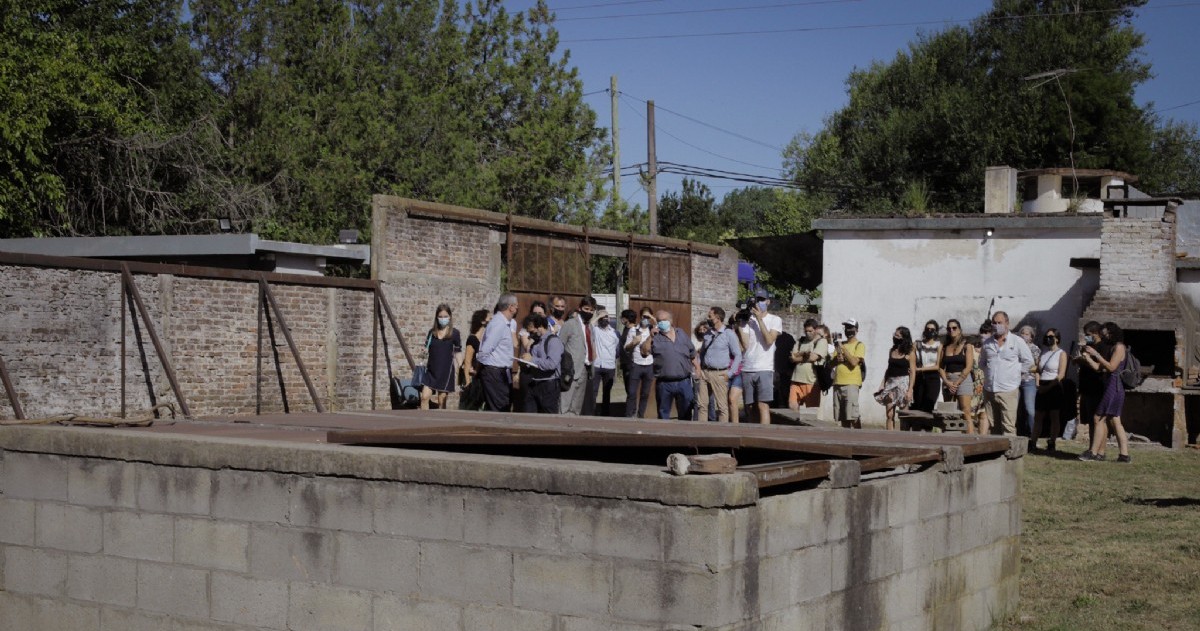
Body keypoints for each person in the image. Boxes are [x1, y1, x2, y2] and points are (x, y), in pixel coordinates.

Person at [1079, 322, 1132, 462]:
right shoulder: (1112, 348)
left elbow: (1111, 367)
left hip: (1114, 385)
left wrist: (1096, 353)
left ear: (1112, 333)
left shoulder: (1119, 347)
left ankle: (1093, 452)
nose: (1103, 335)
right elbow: (1098, 367)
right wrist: (1087, 358)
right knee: (1115, 420)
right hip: (1110, 383)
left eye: (1105, 332)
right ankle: (1124, 455)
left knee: (1098, 418)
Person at [978, 311, 1034, 435]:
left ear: (1007, 323)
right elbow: (981, 363)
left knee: (1008, 426)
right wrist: (989, 374)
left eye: (1000, 323)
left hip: (1009, 390)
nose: (997, 325)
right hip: (990, 390)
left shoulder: (1017, 341)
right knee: (994, 427)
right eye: (994, 323)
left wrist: (1016, 373)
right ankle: (997, 453)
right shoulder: (987, 343)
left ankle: (1011, 453)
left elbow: (1028, 361)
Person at [641, 309, 697, 420]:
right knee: (663, 414)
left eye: (664, 320)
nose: (662, 322)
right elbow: (644, 353)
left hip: (684, 382)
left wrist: (698, 369)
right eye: (659, 320)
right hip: (664, 384)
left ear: (670, 321)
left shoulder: (681, 333)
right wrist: (650, 337)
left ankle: (683, 436)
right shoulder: (655, 337)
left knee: (686, 413)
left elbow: (692, 353)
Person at [740, 292, 783, 424]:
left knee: (763, 405)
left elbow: (769, 340)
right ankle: (751, 436)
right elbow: (745, 344)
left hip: (764, 368)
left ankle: (765, 435)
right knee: (750, 407)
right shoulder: (748, 320)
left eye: (762, 299)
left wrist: (759, 319)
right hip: (748, 367)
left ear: (768, 302)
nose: (759, 302)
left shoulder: (775, 319)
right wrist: (740, 324)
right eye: (757, 299)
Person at [697, 306, 742, 423]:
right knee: (702, 405)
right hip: (705, 373)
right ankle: (701, 433)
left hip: (720, 373)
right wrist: (700, 369)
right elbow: (702, 352)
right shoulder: (707, 333)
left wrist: (730, 373)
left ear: (717, 318)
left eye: (710, 316)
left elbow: (738, 355)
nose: (708, 318)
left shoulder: (729, 334)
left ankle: (723, 434)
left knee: (722, 407)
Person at [477, 294, 519, 411]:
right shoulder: (498, 323)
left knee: (504, 406)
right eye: (516, 306)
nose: (517, 309)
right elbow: (485, 350)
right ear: (510, 307)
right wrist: (482, 369)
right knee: (499, 409)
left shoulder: (505, 323)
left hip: (501, 372)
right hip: (494, 372)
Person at [518, 313, 564, 414]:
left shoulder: (553, 341)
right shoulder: (535, 342)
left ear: (540, 327)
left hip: (548, 385)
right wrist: (524, 362)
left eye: (532, 332)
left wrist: (532, 360)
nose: (530, 335)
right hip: (534, 382)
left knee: (548, 417)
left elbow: (552, 364)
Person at [419, 304, 462, 410]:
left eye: (445, 316)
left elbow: (458, 352)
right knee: (424, 397)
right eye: (440, 316)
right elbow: (426, 350)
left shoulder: (455, 333)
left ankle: (441, 423)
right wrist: (423, 351)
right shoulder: (431, 333)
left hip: (445, 372)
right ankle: (424, 422)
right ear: (436, 318)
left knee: (441, 401)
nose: (443, 319)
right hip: (431, 371)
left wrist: (461, 368)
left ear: (450, 317)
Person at [558, 296, 597, 415]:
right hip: (570, 371)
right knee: (564, 406)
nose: (589, 312)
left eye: (592, 310)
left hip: (585, 369)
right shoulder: (570, 324)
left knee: (576, 407)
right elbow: (560, 345)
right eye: (586, 309)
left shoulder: (590, 326)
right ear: (579, 308)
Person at [936, 319, 976, 434]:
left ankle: (970, 441)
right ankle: (951, 438)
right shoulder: (944, 347)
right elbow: (940, 367)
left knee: (965, 411)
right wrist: (947, 382)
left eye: (954, 328)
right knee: (949, 412)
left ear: (959, 330)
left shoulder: (967, 346)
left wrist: (957, 383)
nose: (951, 330)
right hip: (948, 380)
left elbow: (969, 367)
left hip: (963, 379)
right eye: (949, 328)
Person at [1032, 328, 1068, 453]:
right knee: (1038, 415)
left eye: (1051, 336)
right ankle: (1033, 441)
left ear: (1057, 339)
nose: (1048, 339)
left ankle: (1052, 441)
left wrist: (1048, 387)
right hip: (1042, 384)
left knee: (1054, 415)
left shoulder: (1061, 353)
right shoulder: (1044, 352)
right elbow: (1038, 369)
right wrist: (1038, 384)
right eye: (1047, 336)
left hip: (1054, 385)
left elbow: (1061, 374)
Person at [874, 326, 916, 431]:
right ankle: (890, 437)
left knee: (903, 415)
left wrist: (910, 390)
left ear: (904, 338)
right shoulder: (891, 351)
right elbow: (889, 369)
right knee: (889, 414)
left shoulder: (910, 352)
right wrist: (882, 383)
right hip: (891, 383)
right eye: (894, 334)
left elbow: (913, 372)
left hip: (903, 384)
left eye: (897, 335)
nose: (894, 337)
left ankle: (904, 439)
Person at [1074, 321, 1106, 452]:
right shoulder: (1089, 346)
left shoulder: (1101, 347)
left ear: (1096, 333)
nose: (1087, 337)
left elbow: (1099, 367)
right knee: (1091, 421)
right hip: (1086, 386)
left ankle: (1099, 450)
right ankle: (1092, 448)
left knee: (1098, 420)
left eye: (1088, 335)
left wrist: (1087, 358)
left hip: (1096, 386)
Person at [831, 318, 866, 429]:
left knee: (853, 416)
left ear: (856, 329)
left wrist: (843, 348)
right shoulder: (839, 345)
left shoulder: (859, 345)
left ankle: (859, 438)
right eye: (846, 328)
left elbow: (854, 362)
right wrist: (837, 358)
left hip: (851, 383)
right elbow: (831, 363)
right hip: (838, 382)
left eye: (850, 328)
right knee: (843, 417)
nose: (848, 330)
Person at [788, 318, 829, 410]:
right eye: (806, 331)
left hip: (811, 381)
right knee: (792, 406)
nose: (807, 333)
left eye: (810, 331)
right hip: (796, 379)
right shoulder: (801, 340)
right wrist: (804, 353)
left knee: (810, 411)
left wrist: (797, 357)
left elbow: (813, 357)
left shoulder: (821, 341)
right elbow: (792, 357)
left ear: (815, 330)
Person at [624, 309, 656, 418]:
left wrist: (653, 318)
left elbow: (665, 329)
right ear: (640, 317)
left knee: (645, 393)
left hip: (649, 365)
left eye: (647, 317)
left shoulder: (653, 330)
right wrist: (633, 343)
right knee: (632, 393)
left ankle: (640, 415)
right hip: (636, 364)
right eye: (643, 316)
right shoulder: (633, 330)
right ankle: (629, 416)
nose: (645, 319)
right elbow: (626, 348)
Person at [589, 309, 620, 416]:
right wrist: (598, 316)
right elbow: (589, 325)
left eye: (606, 316)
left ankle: (605, 413)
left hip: (610, 365)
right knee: (593, 391)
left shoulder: (615, 332)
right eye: (602, 317)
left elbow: (618, 349)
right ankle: (591, 412)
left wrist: (613, 357)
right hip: (597, 365)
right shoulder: (595, 330)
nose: (604, 319)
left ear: (610, 318)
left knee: (607, 392)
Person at [459, 309, 490, 411]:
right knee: (469, 406)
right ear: (482, 321)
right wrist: (468, 382)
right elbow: (467, 361)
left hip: (479, 378)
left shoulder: (484, 340)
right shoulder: (472, 339)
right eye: (489, 318)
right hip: (471, 378)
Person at [1016, 325, 1042, 436]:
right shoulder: (1015, 347)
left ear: (1031, 337)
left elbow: (1038, 366)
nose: (1024, 336)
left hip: (1029, 381)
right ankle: (1018, 433)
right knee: (1015, 409)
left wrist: (1037, 381)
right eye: (1022, 333)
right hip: (1015, 381)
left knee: (1030, 409)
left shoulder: (1035, 349)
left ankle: (1033, 435)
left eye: (1027, 334)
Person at [912, 320, 942, 413]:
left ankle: (927, 427)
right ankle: (918, 427)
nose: (929, 331)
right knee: (918, 404)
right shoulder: (917, 344)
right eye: (927, 329)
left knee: (929, 405)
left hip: (933, 377)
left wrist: (920, 369)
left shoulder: (939, 345)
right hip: (919, 377)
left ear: (936, 331)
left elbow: (937, 366)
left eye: (932, 329)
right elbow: (911, 359)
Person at [972, 322, 992, 433]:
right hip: (974, 385)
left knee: (984, 414)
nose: (984, 335)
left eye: (987, 332)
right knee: (971, 415)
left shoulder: (992, 348)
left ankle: (982, 438)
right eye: (982, 332)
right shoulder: (972, 347)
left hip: (987, 383)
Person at [728, 313, 749, 423]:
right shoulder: (727, 333)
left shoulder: (744, 333)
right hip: (727, 370)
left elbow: (743, 347)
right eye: (732, 323)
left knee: (732, 399)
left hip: (740, 371)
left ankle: (736, 426)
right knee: (728, 402)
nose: (733, 325)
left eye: (735, 322)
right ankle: (731, 424)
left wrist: (738, 329)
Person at [618, 309, 638, 400]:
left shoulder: (634, 330)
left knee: (631, 388)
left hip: (631, 363)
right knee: (627, 387)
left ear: (626, 319)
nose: (621, 319)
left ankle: (631, 410)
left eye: (622, 317)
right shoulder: (626, 329)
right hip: (625, 363)